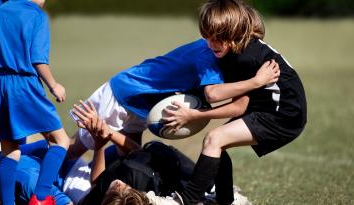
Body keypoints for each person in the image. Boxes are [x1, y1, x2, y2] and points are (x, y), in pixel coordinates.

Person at [164, 0, 307, 204]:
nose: (212, 44)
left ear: (234, 31)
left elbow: (234, 104)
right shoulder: (241, 47)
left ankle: (187, 200)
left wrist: (194, 115)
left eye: (219, 38)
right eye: (207, 37)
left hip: (282, 116)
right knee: (217, 144)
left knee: (215, 139)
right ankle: (225, 200)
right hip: (272, 108)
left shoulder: (243, 58)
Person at [67, 38, 280, 161]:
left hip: (143, 102)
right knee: (75, 149)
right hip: (125, 94)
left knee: (132, 156)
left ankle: (119, 192)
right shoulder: (209, 57)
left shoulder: (214, 50)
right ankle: (44, 184)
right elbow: (213, 94)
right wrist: (256, 81)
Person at [71, 102, 245, 205]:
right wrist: (108, 135)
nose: (117, 186)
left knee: (57, 155)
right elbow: (137, 153)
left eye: (114, 191)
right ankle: (214, 190)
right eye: (122, 189)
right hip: (165, 167)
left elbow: (97, 184)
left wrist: (101, 141)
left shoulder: (115, 185)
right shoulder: (138, 178)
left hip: (125, 160)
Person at [0, 0, 70, 204]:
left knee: (10, 149)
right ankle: (42, 197)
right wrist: (53, 85)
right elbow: (38, 59)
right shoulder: (36, 15)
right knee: (60, 140)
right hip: (24, 85)